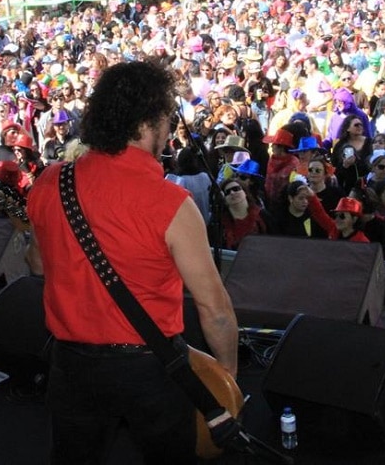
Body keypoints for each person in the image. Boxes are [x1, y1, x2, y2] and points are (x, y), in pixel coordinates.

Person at [26, 60, 238, 465]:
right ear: (148, 123)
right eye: (167, 118)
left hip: (71, 366)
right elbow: (215, 309)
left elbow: (36, 264)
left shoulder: (52, 180)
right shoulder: (170, 203)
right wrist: (225, 381)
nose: (169, 129)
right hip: (150, 370)